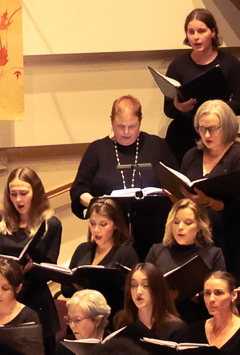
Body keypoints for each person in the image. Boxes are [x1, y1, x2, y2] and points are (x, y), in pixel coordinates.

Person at [70, 96, 177, 256]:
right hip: (111, 235)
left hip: (154, 230)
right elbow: (79, 189)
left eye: (132, 126)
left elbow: (175, 182)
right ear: (112, 121)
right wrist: (96, 203)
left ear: (140, 122)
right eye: (120, 126)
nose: (126, 132)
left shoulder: (156, 145)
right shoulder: (97, 149)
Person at [0, 167, 63, 348]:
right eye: (13, 194)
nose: (18, 200)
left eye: (24, 193)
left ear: (36, 193)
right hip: (2, 298)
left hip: (35, 299)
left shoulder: (51, 224)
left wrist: (30, 270)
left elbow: (49, 269)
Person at [180, 99, 240, 274]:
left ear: (227, 127)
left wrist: (208, 201)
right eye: (202, 129)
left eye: (213, 129)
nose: (207, 135)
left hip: (231, 238)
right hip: (197, 239)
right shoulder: (192, 156)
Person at [159, 9, 240, 159]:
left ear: (213, 32)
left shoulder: (230, 64)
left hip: (218, 135)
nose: (196, 37)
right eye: (191, 32)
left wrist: (216, 107)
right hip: (183, 136)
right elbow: (168, 109)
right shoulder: (178, 66)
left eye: (201, 31)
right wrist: (179, 107)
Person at [146, 201, 228, 325]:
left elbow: (220, 291)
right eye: (176, 222)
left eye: (188, 223)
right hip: (161, 318)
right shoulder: (157, 251)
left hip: (199, 319)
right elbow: (146, 284)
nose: (180, 227)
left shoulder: (213, 253)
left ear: (199, 226)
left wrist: (195, 296)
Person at [58, 195, 139, 314]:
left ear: (116, 225)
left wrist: (89, 292)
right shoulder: (83, 249)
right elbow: (65, 289)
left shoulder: (125, 252)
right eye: (92, 223)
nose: (96, 230)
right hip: (82, 314)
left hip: (111, 317)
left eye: (103, 224)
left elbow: (127, 296)